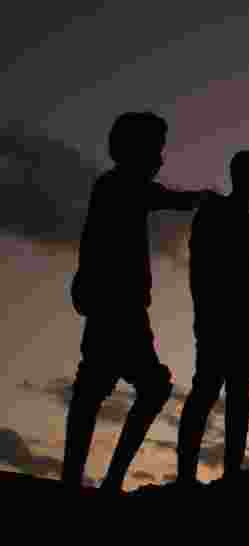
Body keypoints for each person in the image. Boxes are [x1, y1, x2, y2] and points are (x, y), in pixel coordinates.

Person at [64, 111, 210, 491]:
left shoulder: (114, 186)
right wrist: (199, 198)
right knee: (121, 386)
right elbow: (164, 198)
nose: (161, 158)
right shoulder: (120, 185)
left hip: (118, 305)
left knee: (100, 386)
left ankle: (87, 477)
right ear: (137, 149)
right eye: (156, 149)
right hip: (118, 306)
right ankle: (99, 479)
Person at [176, 151, 249, 484]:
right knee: (206, 392)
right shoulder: (214, 213)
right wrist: (203, 312)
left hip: (248, 324)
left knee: (237, 397)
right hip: (220, 320)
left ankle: (231, 472)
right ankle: (186, 476)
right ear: (246, 177)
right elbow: (199, 267)